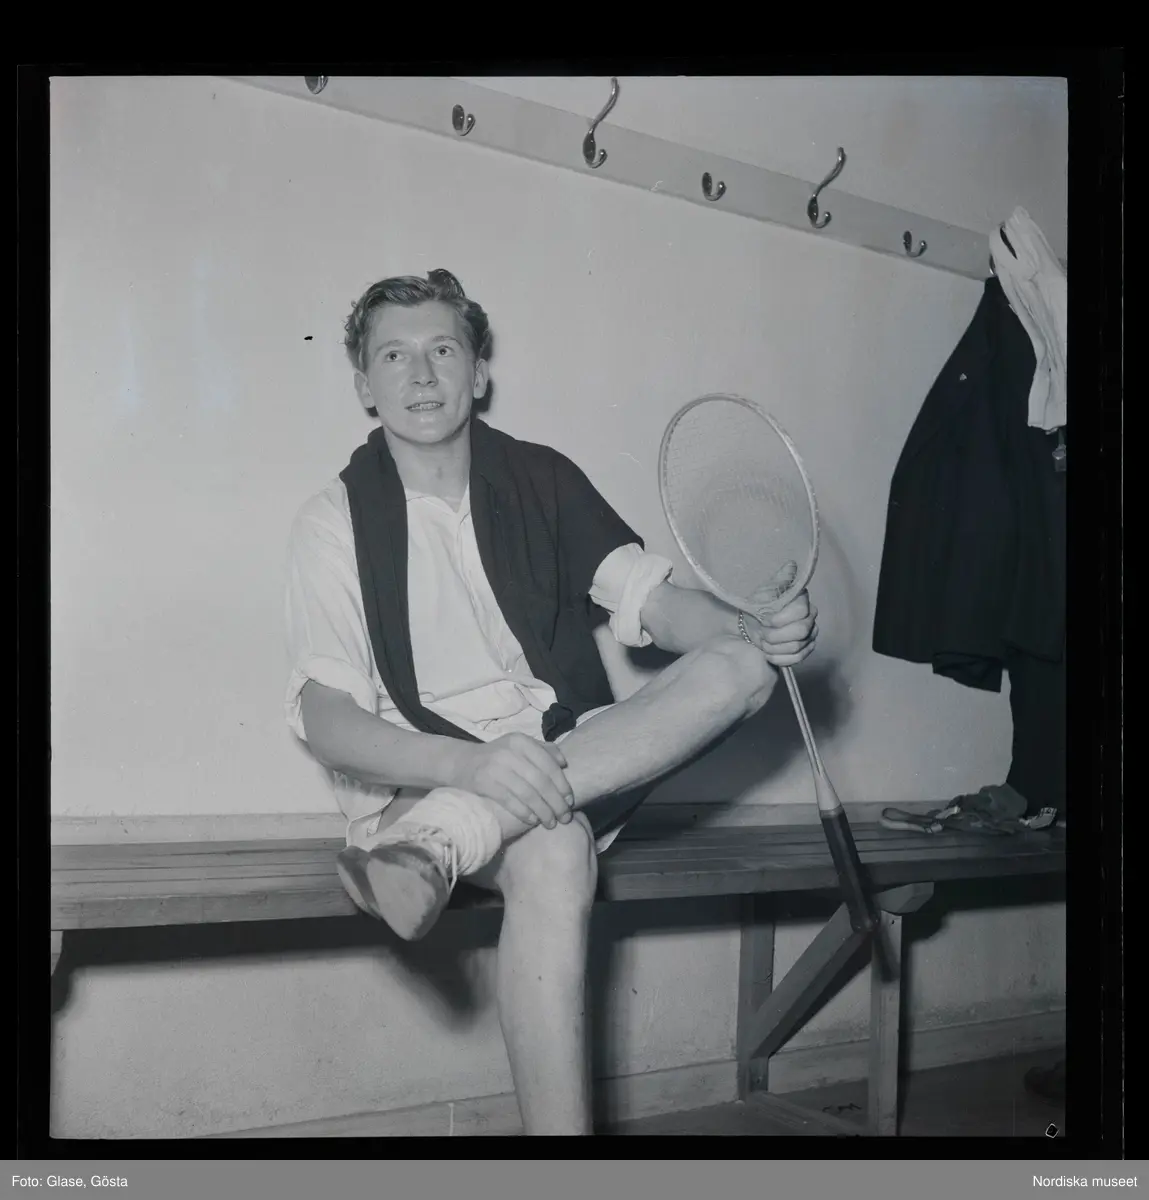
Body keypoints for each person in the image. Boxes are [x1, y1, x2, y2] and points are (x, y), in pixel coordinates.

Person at [284, 269, 819, 1135]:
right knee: (558, 846)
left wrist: (750, 624)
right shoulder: (331, 520)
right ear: (363, 386)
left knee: (743, 666)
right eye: (394, 356)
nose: (421, 375)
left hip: (565, 759)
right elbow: (328, 721)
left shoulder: (542, 478)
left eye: (442, 350)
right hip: (421, 780)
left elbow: (657, 607)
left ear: (478, 372)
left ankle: (446, 841)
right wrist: (470, 767)